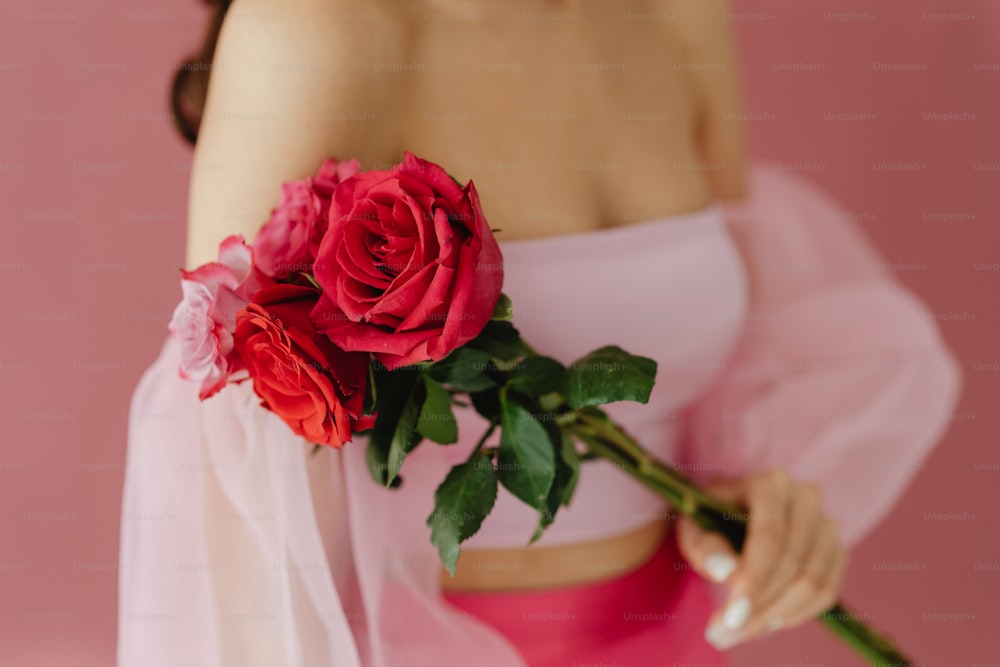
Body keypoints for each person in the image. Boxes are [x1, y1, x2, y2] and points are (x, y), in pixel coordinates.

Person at [118, 1, 962, 665]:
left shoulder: (676, 11)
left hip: (672, 640)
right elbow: (230, 516)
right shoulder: (315, 33)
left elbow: (719, 347)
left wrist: (757, 500)